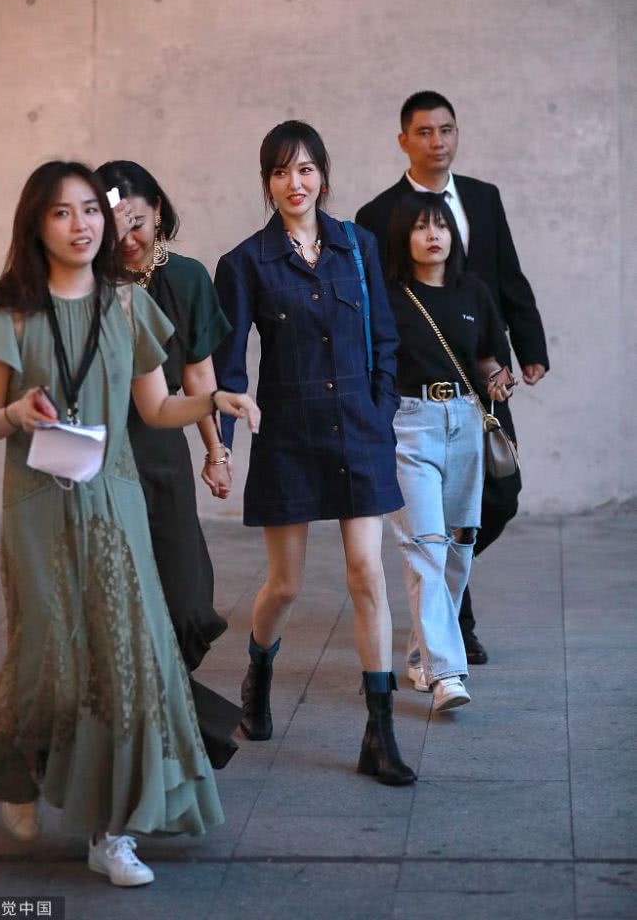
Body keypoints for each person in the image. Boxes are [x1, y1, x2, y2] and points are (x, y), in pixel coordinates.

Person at [0, 161, 259, 887]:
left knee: (125, 660)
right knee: (47, 654)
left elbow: (157, 409)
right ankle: (20, 770)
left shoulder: (129, 307)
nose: (83, 224)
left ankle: (112, 833)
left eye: (91, 210)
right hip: (38, 506)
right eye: (63, 212)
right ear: (36, 225)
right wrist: (16, 412)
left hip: (115, 502)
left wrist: (213, 403)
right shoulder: (7, 312)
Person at [213, 121, 414, 786]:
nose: (294, 183)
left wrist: (379, 412)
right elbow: (229, 369)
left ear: (323, 176)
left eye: (305, 169)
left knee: (367, 574)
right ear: (266, 182)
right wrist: (222, 450)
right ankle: (259, 668)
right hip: (289, 438)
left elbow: (385, 340)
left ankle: (379, 733)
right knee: (286, 586)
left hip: (359, 429)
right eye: (280, 171)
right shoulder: (245, 263)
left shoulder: (357, 246)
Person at [356, 90, 549, 665]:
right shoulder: (377, 214)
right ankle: (452, 627)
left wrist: (529, 347)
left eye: (446, 130)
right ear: (403, 141)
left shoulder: (483, 198)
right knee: (435, 523)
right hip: (415, 391)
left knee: (501, 495)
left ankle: (438, 600)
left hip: (480, 375)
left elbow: (508, 276)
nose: (437, 141)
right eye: (424, 131)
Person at [95, 160, 240, 769]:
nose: (127, 237)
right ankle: (153, 736)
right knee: (118, 602)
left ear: (157, 210)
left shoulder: (186, 278)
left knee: (186, 601)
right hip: (102, 454)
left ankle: (161, 715)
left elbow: (198, 375)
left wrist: (215, 451)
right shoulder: (89, 284)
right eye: (113, 225)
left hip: (162, 450)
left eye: (136, 221)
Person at [385, 191, 514, 710]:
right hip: (410, 424)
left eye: (440, 225)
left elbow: (486, 359)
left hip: (464, 421)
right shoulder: (391, 296)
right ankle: (446, 675)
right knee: (427, 546)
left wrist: (499, 379)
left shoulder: (473, 291)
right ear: (404, 237)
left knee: (459, 544)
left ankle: (421, 655)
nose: (432, 235)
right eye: (420, 227)